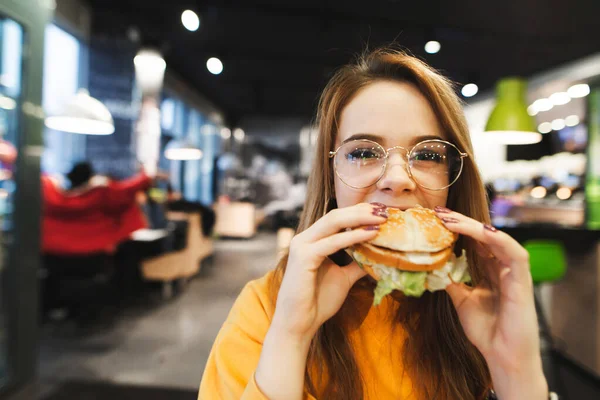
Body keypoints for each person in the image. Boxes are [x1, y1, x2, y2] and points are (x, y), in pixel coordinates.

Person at [198, 49, 551, 399]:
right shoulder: (266, 307)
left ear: (454, 179)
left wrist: (516, 372)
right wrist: (291, 335)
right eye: (364, 152)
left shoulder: (482, 307)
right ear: (330, 176)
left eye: (427, 155)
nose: (397, 179)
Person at [41, 162, 152, 255]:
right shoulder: (101, 195)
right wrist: (146, 173)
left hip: (52, 257)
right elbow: (128, 190)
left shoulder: (50, 195)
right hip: (94, 259)